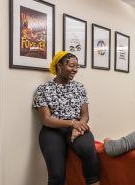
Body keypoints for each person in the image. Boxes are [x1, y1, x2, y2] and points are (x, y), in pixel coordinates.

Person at [32, 51, 100, 185]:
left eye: (77, 66)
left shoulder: (79, 87)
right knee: (56, 174)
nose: (75, 70)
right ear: (59, 66)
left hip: (77, 127)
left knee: (89, 153)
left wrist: (79, 126)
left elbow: (85, 114)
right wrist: (72, 123)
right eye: (71, 65)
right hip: (52, 131)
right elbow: (46, 119)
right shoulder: (43, 89)